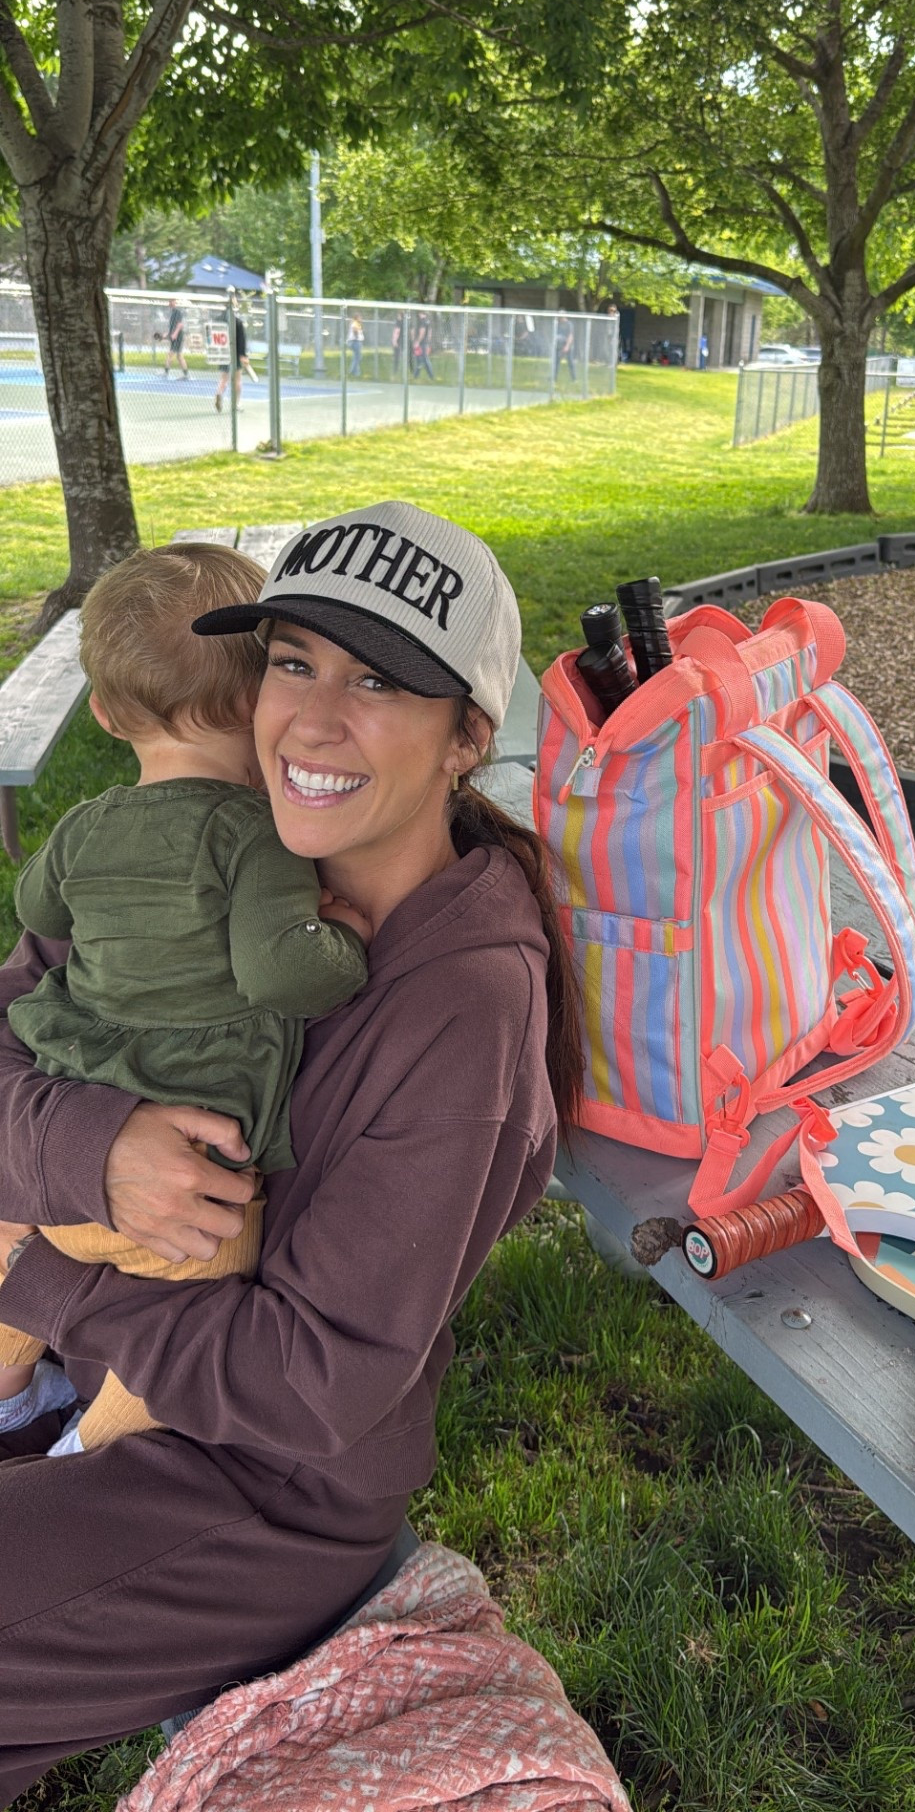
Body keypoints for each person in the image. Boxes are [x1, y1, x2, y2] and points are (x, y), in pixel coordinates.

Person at [0, 500, 579, 1806]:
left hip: (254, 1488)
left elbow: (313, 1385)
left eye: (377, 682)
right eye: (293, 663)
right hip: (90, 1371)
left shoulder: (461, 1003)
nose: (311, 720)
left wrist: (47, 1275)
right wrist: (97, 1151)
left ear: (466, 738)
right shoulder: (198, 848)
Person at [0, 544, 369, 1458]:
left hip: (60, 1147)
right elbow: (282, 974)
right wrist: (345, 944)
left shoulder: (83, 825)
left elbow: (38, 910)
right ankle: (87, 1452)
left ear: (103, 712)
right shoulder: (254, 833)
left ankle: (8, 1396)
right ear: (258, 703)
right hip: (190, 1178)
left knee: (7, 1254)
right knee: (200, 1308)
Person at [214, 296, 258, 411]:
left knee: (224, 378)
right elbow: (241, 340)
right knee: (237, 379)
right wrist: (243, 355)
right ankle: (237, 404)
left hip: (223, 353)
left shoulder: (218, 320)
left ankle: (219, 393)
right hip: (235, 354)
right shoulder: (237, 322)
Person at [164, 299, 189, 379]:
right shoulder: (172, 313)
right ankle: (186, 374)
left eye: (172, 301)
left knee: (171, 354)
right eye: (169, 301)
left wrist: (175, 334)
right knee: (179, 356)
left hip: (178, 337)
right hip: (175, 336)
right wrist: (168, 334)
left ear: (175, 302)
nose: (170, 303)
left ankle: (166, 373)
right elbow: (173, 326)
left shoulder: (177, 312)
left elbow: (180, 325)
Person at [410, 312, 435, 382]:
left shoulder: (423, 321)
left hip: (421, 344)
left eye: (419, 313)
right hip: (425, 343)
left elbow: (422, 333)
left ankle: (431, 376)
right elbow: (430, 333)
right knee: (419, 361)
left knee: (425, 360)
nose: (418, 314)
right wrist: (428, 342)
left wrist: (417, 342)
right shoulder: (428, 321)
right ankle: (415, 376)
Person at [553, 313, 576, 383]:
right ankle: (554, 378)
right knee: (556, 362)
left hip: (567, 346)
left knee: (570, 362)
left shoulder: (569, 324)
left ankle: (574, 379)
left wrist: (567, 346)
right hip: (559, 346)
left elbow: (570, 336)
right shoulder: (558, 324)